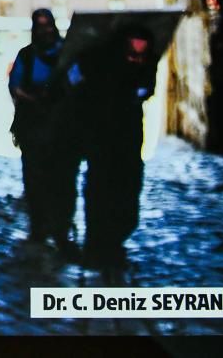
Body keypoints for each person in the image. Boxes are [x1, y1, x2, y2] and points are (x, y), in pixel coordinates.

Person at [76, 22, 158, 274]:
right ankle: (97, 247)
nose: (136, 60)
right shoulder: (101, 67)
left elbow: (147, 88)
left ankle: (114, 242)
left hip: (129, 142)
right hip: (102, 141)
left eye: (140, 56)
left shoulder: (145, 67)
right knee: (100, 192)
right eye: (132, 55)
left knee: (127, 194)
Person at [8, 9, 83, 254]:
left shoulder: (68, 55)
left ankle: (62, 229)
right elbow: (16, 87)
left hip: (65, 128)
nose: (46, 30)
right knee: (35, 179)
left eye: (48, 24)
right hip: (35, 128)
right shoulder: (27, 56)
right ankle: (39, 227)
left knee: (64, 180)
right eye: (40, 26)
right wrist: (34, 100)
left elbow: (78, 84)